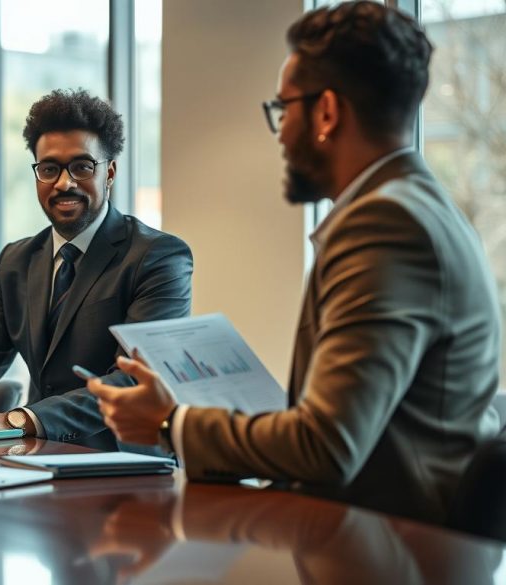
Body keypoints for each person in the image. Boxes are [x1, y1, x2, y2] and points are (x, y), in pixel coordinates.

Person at [89, 1, 502, 524]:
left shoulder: (385, 224)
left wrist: (171, 423)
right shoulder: (420, 205)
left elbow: (326, 445)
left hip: (385, 549)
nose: (281, 133)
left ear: (326, 113)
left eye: (284, 110)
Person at [0, 89, 193, 450]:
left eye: (82, 166)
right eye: (49, 168)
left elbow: (133, 381)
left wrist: (15, 420)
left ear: (110, 172)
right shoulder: (16, 261)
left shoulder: (159, 256)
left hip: (128, 470)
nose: (63, 183)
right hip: (35, 463)